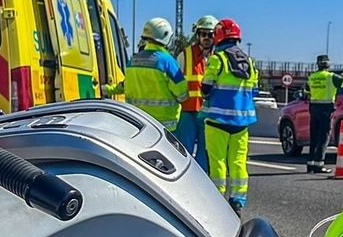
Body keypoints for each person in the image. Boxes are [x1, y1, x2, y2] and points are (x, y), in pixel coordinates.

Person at [202, 18, 259, 216]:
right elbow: (254, 90)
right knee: (238, 162)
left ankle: (217, 199)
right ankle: (237, 201)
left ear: (218, 36)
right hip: (241, 123)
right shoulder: (249, 62)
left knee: (217, 161)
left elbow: (205, 87)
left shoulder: (217, 59)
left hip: (217, 121)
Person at [110, 17, 188, 131]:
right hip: (163, 126)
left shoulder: (133, 61)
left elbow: (124, 85)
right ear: (166, 36)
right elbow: (182, 94)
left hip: (136, 123)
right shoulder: (168, 62)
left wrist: (106, 89)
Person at [177, 14, 218, 171]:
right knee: (183, 151)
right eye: (203, 34)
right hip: (188, 111)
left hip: (209, 113)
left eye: (210, 34)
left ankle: (202, 181)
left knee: (206, 152)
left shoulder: (219, 58)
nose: (206, 38)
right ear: (197, 35)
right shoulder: (185, 55)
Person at [305, 54, 343, 173]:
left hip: (313, 108)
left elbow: (306, 91)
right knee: (324, 136)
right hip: (326, 109)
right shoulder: (331, 77)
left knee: (314, 136)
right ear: (328, 64)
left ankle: (310, 164)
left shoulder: (312, 77)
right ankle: (319, 164)